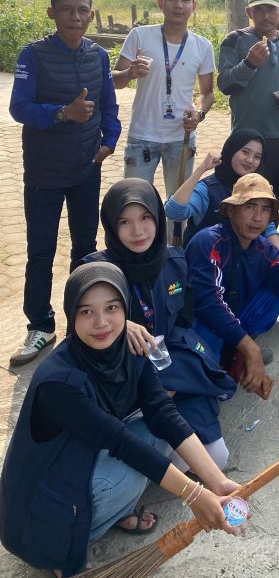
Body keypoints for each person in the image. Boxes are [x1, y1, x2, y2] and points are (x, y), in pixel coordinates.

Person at [0, 263, 241, 578]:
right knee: (129, 466)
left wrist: (217, 482)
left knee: (158, 434)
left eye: (111, 308)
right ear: (71, 315)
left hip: (79, 459)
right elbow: (119, 441)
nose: (101, 322)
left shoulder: (127, 348)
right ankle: (59, 551)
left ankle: (111, 512)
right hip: (36, 511)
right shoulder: (58, 381)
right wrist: (194, 494)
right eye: (86, 312)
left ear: (125, 310)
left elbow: (162, 411)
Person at [82, 180, 237, 468]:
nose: (138, 231)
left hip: (169, 370)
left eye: (145, 217)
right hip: (123, 380)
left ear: (157, 216)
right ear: (111, 225)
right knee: (176, 463)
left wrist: (172, 379)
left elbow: (183, 324)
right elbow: (79, 339)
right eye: (124, 222)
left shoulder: (174, 261)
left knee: (217, 458)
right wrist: (120, 326)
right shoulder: (94, 272)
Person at [9, 0, 121, 366]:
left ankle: (81, 320)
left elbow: (108, 104)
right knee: (41, 250)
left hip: (86, 168)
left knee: (85, 248)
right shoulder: (33, 55)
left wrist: (110, 141)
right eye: (67, 9)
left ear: (91, 14)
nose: (76, 17)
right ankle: (41, 325)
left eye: (82, 10)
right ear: (51, 13)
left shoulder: (99, 55)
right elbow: (19, 108)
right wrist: (62, 113)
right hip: (44, 172)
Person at [186, 174, 279, 390]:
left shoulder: (265, 250)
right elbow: (208, 303)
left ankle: (235, 349)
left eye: (265, 209)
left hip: (236, 315)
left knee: (275, 292)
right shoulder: (209, 242)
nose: (258, 217)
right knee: (206, 375)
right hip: (202, 321)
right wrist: (250, 348)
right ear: (231, 210)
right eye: (250, 206)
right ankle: (230, 352)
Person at [113, 0, 214, 197]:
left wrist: (198, 114)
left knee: (179, 203)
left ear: (194, 6)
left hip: (181, 137)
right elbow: (114, 80)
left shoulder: (202, 46)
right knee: (134, 200)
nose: (178, 5)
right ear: (160, 2)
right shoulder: (140, 36)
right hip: (143, 135)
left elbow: (207, 93)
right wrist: (129, 73)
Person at [217, 0, 279, 198]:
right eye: (258, 10)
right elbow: (224, 85)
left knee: (275, 193)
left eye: (271, 9)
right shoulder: (235, 40)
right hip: (246, 133)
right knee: (244, 193)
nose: (265, 16)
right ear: (249, 12)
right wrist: (249, 63)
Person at [164, 127, 279, 254]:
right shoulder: (207, 189)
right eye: (245, 152)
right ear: (231, 150)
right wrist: (201, 169)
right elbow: (173, 212)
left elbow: (270, 231)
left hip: (241, 262)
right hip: (203, 261)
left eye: (257, 157)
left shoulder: (259, 189)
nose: (250, 160)